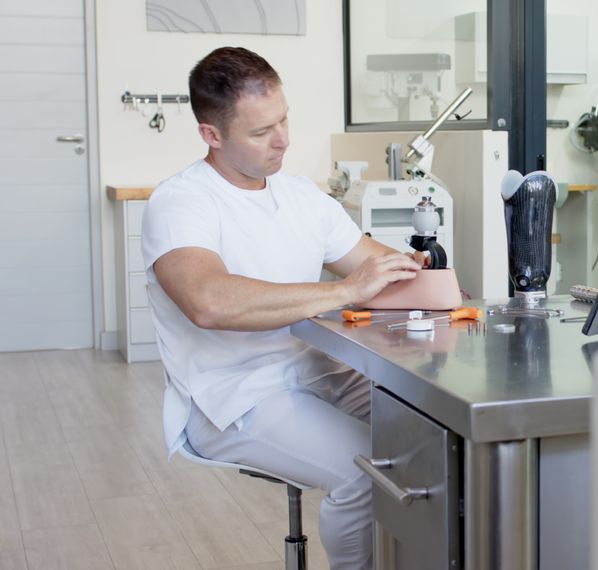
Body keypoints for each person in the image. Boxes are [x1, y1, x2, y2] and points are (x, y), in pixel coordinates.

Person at [142, 46, 424, 570]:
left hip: (320, 372)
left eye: (285, 119)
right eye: (260, 131)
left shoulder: (302, 197)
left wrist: (432, 279)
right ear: (212, 135)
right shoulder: (181, 203)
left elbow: (379, 268)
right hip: (233, 395)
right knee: (365, 472)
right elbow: (208, 302)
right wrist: (344, 291)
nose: (283, 139)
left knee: (433, 441)